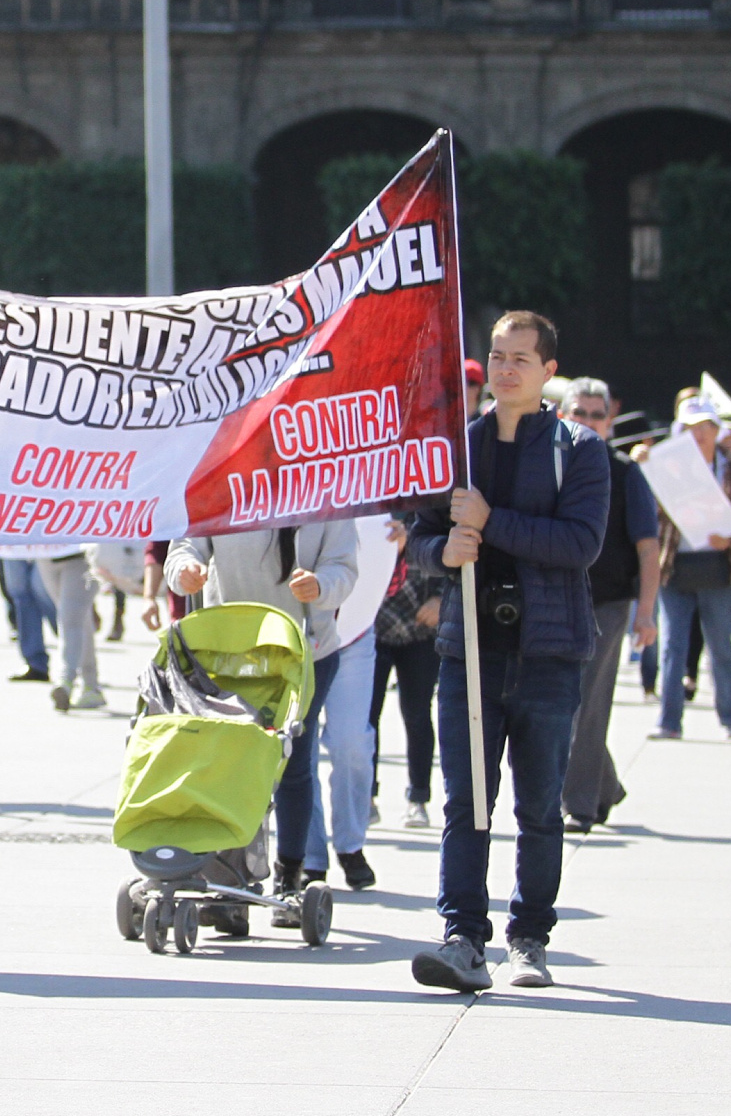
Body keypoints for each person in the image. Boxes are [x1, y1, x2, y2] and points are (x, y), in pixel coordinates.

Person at [404, 311, 608, 992]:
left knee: (539, 804)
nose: (505, 368)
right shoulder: (457, 446)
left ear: (549, 370)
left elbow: (579, 544)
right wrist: (443, 549)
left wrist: (492, 523)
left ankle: (530, 936)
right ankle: (462, 935)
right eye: (495, 355)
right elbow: (419, 537)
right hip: (468, 648)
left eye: (520, 357)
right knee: (465, 801)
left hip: (548, 651)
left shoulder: (576, 447)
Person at [165, 518, 360, 908]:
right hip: (229, 650)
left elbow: (343, 567)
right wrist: (184, 572)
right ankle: (230, 883)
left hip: (305, 653)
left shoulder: (326, 488)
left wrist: (321, 585)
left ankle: (291, 874)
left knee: (292, 759)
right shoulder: (221, 479)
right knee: (228, 763)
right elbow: (184, 547)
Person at [560, 378, 658, 830]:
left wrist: (646, 612)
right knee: (562, 703)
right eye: (580, 412)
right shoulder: (548, 465)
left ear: (610, 421)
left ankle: (578, 804)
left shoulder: (625, 472)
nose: (588, 422)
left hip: (608, 602)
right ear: (563, 415)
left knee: (587, 703)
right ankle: (605, 785)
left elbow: (647, 546)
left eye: (597, 415)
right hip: (554, 599)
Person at [652, 396, 731, 739]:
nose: (698, 434)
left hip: (719, 567)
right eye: (691, 428)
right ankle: (669, 722)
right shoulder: (668, 466)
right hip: (675, 566)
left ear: (717, 431)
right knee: (672, 646)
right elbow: (651, 517)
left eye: (705, 427)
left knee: (721, 645)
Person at [371, 552, 445, 830]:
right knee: (367, 716)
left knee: (417, 715)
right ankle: (366, 797)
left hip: (421, 630)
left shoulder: (429, 510)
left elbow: (450, 555)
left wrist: (441, 598)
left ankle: (418, 798)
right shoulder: (374, 512)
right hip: (375, 628)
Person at [30, 543, 106, 710]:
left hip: (83, 556)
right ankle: (91, 685)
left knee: (70, 618)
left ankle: (66, 680)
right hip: (47, 553)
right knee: (76, 618)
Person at [0, 553, 57, 681]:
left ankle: (75, 653)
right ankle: (35, 663)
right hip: (11, 541)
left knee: (44, 590)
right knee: (19, 592)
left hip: (44, 541)